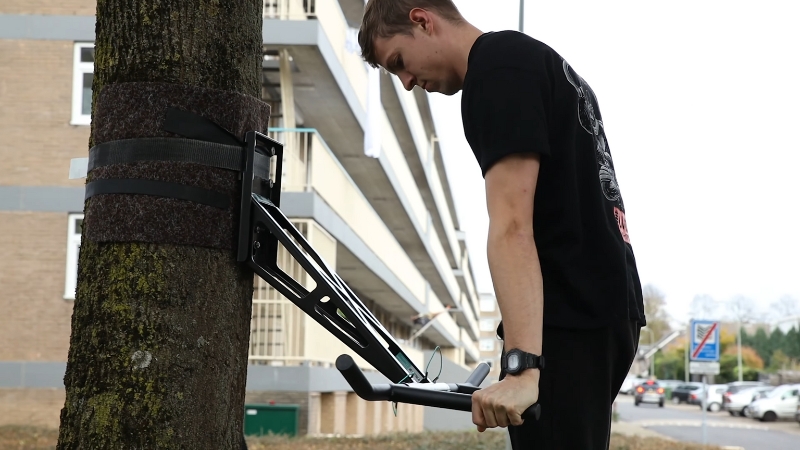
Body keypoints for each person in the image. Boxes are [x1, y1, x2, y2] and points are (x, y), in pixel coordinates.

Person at [357, 1, 646, 449]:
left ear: (421, 20)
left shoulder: (497, 71)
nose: (408, 82)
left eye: (398, 63)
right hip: (603, 308)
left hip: (568, 319)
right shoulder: (531, 60)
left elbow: (511, 225)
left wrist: (524, 367)